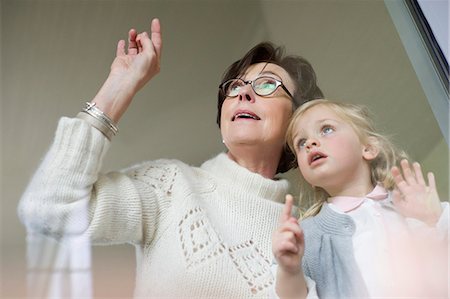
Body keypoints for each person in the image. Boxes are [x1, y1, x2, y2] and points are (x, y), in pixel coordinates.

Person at [18, 19, 324, 298]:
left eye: (268, 84)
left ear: (297, 121)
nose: (244, 93)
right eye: (235, 86)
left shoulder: (311, 231)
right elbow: (49, 208)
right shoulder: (171, 186)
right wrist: (119, 86)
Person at [272, 99, 449, 299]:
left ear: (368, 148)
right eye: (301, 143)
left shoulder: (413, 204)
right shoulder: (306, 236)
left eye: (326, 129)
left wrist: (433, 219)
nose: (310, 143)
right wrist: (290, 271)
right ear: (308, 177)